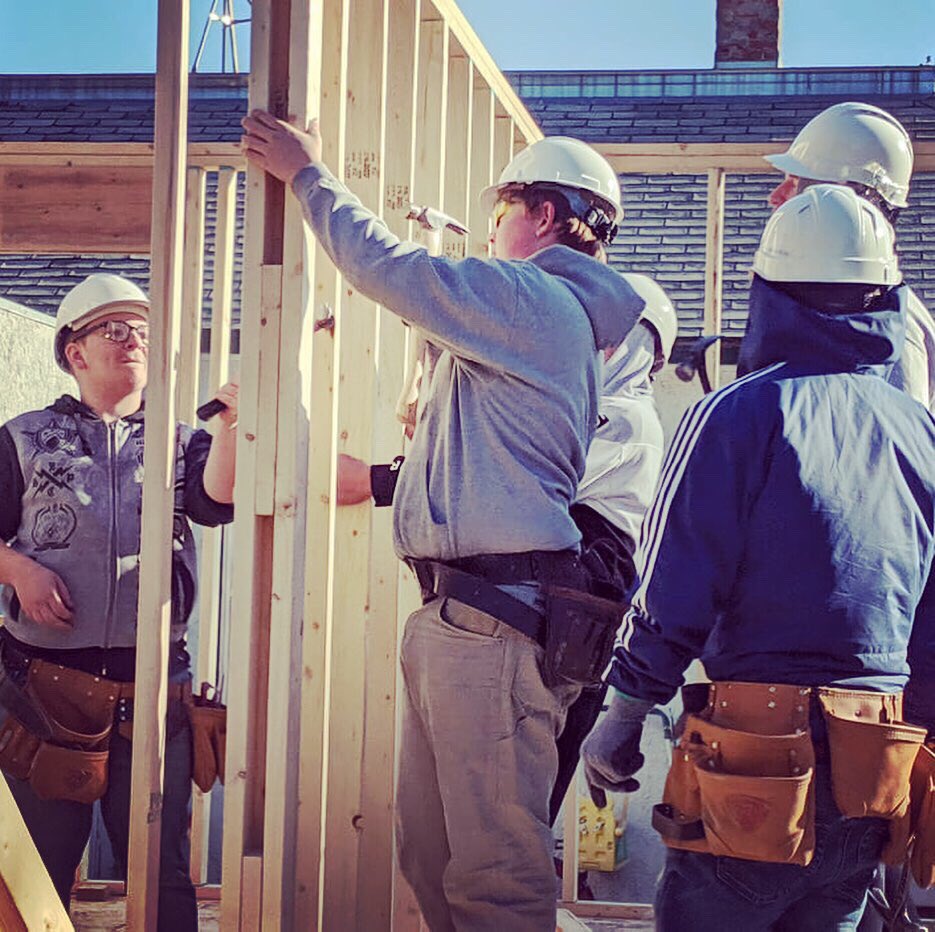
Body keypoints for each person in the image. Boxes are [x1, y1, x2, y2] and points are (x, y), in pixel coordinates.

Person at [241, 111, 644, 930]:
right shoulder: (538, 317)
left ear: (541, 216)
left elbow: (391, 271)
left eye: (500, 213)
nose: (492, 230)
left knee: (496, 875)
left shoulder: (538, 298)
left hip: (492, 629)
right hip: (467, 617)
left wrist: (308, 175)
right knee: (429, 856)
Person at [582, 185, 934, 931]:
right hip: (872, 772)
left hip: (751, 772)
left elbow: (674, 582)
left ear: (767, 292)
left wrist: (622, 714)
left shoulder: (738, 412)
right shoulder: (919, 431)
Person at [0, 273, 237, 929]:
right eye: (115, 327)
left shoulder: (183, 442)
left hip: (158, 693)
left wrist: (229, 433)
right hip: (43, 690)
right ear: (75, 352)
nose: (133, 338)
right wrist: (17, 567)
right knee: (35, 875)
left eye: (143, 329)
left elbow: (217, 503)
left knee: (161, 876)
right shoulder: (22, 437)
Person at [762, 101, 935, 413]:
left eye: (794, 182)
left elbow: (890, 452)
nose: (775, 196)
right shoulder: (865, 310)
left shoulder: (895, 328)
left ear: (840, 194)